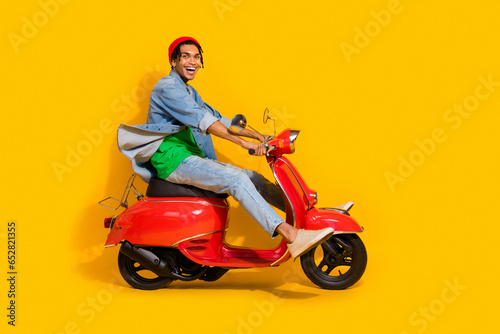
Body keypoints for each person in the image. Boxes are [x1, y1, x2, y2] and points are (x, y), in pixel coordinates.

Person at [117, 36, 333, 258]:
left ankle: (308, 217)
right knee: (236, 179)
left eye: (197, 57)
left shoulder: (189, 92)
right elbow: (204, 121)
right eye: (186, 56)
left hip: (189, 157)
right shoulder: (167, 88)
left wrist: (261, 136)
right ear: (173, 62)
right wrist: (243, 143)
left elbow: (221, 119)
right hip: (174, 159)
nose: (192, 61)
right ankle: (292, 236)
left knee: (252, 177)